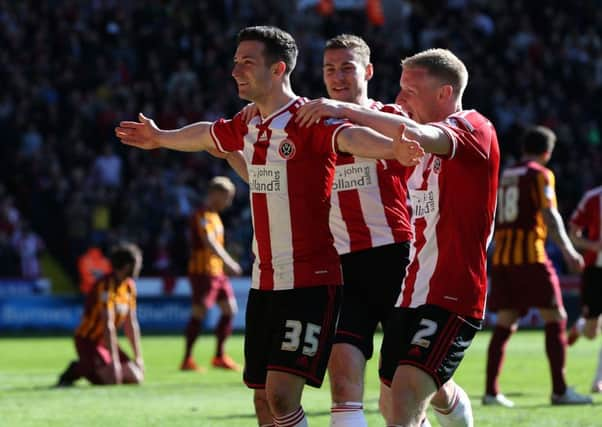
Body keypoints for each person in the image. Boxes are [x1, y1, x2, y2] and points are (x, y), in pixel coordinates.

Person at [115, 26, 399, 426]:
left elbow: (351, 138)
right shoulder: (248, 124)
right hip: (264, 282)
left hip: (311, 281)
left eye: (247, 62)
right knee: (264, 401)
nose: (236, 70)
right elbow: (205, 133)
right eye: (235, 62)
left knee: (283, 397)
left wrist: (393, 148)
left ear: (279, 69)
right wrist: (161, 137)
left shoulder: (307, 119)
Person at [295, 47, 499, 427]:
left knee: (405, 391)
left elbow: (422, 134)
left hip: (450, 291)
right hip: (408, 290)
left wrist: (343, 110)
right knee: (394, 404)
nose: (400, 97)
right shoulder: (413, 152)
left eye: (410, 90)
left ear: (444, 94)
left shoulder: (473, 127)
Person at [237, 34, 414, 427]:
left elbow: (412, 148)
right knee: (344, 378)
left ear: (367, 71)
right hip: (340, 267)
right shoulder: (303, 125)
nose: (337, 76)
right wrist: (256, 127)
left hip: (395, 259)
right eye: (329, 69)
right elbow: (267, 176)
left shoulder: (388, 119)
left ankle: (452, 416)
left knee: (402, 386)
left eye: (347, 67)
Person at [484, 126, 591, 406]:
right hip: (530, 256)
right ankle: (559, 391)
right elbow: (549, 213)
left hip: (503, 258)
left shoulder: (506, 174)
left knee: (505, 322)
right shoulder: (540, 174)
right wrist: (568, 250)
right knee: (556, 317)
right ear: (547, 152)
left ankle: (491, 392)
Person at [56, 242, 144, 386]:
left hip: (104, 341)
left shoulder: (129, 287)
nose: (139, 268)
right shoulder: (105, 286)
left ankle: (94, 366)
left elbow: (131, 324)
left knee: (136, 377)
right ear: (127, 266)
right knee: (111, 380)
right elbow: (107, 325)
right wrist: (114, 363)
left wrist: (138, 357)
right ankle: (77, 369)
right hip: (87, 339)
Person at [180, 175, 243, 372]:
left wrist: (223, 266)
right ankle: (187, 359)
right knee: (199, 312)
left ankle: (219, 356)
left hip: (217, 272)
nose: (229, 202)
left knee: (229, 310)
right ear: (216, 194)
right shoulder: (201, 215)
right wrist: (229, 262)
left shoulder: (215, 216)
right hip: (202, 272)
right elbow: (209, 243)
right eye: (227, 197)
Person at [567, 185, 602, 393]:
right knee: (591, 332)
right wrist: (592, 245)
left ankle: (598, 380)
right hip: (595, 273)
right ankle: (580, 327)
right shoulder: (592, 198)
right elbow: (574, 232)